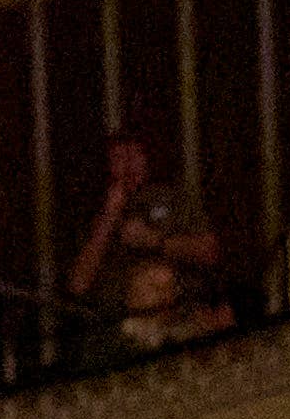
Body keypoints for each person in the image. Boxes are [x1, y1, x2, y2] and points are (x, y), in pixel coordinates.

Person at [65, 123, 222, 351]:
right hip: (122, 321)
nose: (128, 165)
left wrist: (156, 241)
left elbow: (209, 252)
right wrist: (109, 219)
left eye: (134, 154)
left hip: (181, 312)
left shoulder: (173, 199)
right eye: (119, 158)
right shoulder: (93, 214)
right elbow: (77, 285)